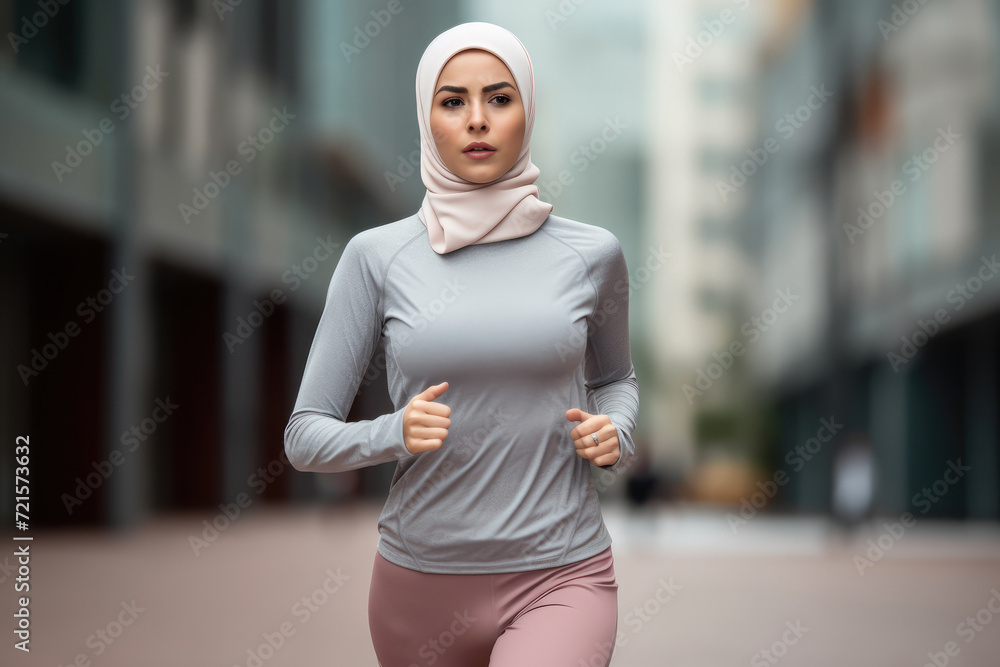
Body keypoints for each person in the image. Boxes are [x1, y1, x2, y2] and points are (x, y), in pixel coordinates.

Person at [283, 21, 640, 667]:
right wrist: (393, 431)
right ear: (428, 117)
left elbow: (619, 378)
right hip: (418, 586)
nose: (478, 119)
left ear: (528, 110)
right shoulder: (376, 256)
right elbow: (305, 436)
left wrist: (617, 430)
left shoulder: (593, 253)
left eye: (500, 98)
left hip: (561, 574)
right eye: (453, 101)